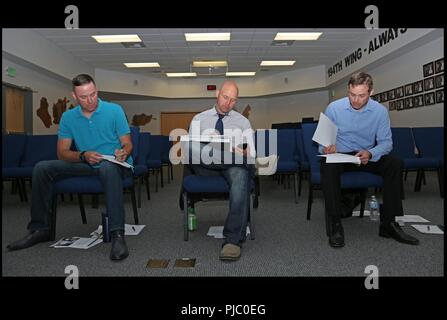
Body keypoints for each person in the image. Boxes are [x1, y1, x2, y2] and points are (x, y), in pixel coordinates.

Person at [7, 74, 134, 261]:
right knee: (42, 168)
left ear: (96, 89)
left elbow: (128, 144)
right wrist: (83, 155)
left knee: (107, 167)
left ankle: (117, 235)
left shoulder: (114, 110)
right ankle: (40, 229)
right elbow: (63, 153)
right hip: (87, 162)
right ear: (74, 96)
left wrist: (124, 151)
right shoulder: (68, 117)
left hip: (115, 164)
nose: (91, 100)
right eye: (84, 97)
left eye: (93, 94)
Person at [319, 72, 419, 248]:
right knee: (327, 165)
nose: (356, 100)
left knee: (394, 163)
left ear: (371, 92)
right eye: (352, 94)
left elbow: (387, 143)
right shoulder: (333, 108)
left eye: (361, 95)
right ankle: (335, 223)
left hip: (366, 155)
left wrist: (371, 153)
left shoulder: (380, 111)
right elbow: (322, 144)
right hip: (341, 156)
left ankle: (389, 223)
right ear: (348, 90)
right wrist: (328, 147)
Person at [184, 80, 277, 262]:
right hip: (205, 167)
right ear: (217, 94)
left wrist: (244, 153)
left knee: (240, 172)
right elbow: (191, 152)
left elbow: (252, 151)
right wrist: (227, 154)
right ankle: (239, 161)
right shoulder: (199, 119)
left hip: (231, 168)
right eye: (225, 97)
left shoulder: (242, 121)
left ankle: (233, 240)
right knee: (195, 149)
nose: (228, 103)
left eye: (233, 100)